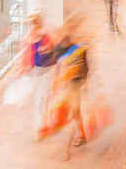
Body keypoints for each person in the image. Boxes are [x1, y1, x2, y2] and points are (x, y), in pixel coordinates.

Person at [39, 17, 91, 160]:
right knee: (70, 114)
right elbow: (56, 65)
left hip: (72, 87)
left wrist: (83, 83)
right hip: (65, 86)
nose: (60, 36)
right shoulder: (62, 48)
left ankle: (72, 143)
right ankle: (80, 136)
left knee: (72, 113)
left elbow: (84, 69)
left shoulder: (77, 49)